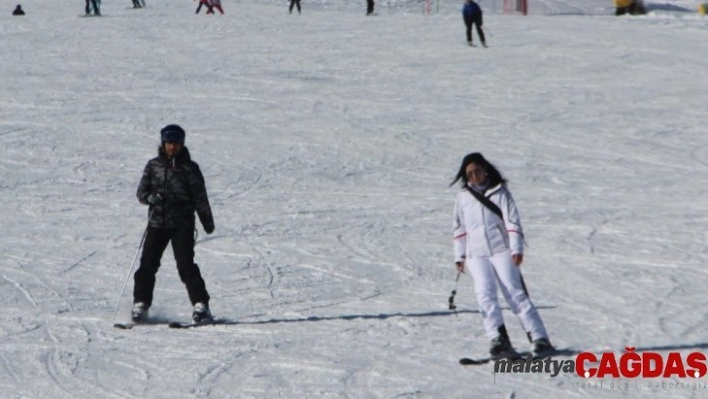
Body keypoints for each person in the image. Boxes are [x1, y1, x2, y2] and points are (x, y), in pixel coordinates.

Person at [451, 152, 553, 358]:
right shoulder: (463, 197)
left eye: (477, 171)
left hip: (501, 250)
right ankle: (498, 340)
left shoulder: (501, 193)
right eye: (469, 173)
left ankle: (539, 337)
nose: (473, 176)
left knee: (514, 292)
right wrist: (459, 256)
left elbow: (512, 222)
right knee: (484, 294)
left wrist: (516, 249)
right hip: (475, 254)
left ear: (485, 170)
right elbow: (459, 228)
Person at [132, 124, 216, 323]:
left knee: (186, 265)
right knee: (147, 265)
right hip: (157, 222)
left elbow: (200, 197)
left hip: (182, 224)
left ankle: (201, 305)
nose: (173, 147)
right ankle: (141, 304)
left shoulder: (190, 168)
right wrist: (151, 198)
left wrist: (207, 222)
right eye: (170, 143)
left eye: (177, 143)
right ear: (163, 143)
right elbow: (141, 193)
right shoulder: (153, 166)